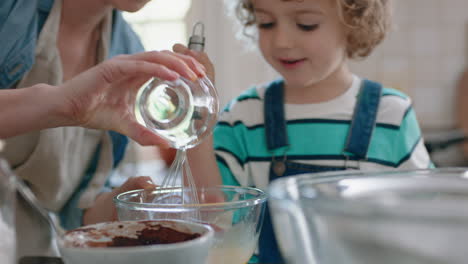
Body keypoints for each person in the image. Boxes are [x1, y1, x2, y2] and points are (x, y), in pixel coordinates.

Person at [181, 0, 433, 263]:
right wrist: (198, 112)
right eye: (266, 23)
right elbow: (211, 210)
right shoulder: (244, 116)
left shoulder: (392, 114)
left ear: (354, 23)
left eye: (306, 25)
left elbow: (424, 223)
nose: (282, 41)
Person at [0, 0, 207, 257]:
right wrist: (64, 105)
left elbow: (71, 213)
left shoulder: (127, 48)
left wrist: (120, 203)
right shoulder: (10, 14)